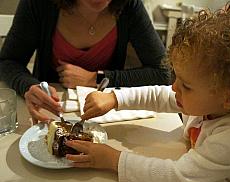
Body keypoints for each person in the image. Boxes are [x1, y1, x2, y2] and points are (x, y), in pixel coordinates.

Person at [64, 6, 230, 182]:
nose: (175, 88)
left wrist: (113, 160)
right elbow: (160, 95)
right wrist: (114, 98)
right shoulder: (209, 102)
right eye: (177, 79)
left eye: (186, 85)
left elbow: (176, 178)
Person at [0, 0, 171, 124]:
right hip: (49, 113)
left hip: (108, 118)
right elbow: (7, 61)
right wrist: (29, 86)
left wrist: (95, 78)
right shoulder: (39, 4)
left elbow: (164, 73)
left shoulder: (130, 6)